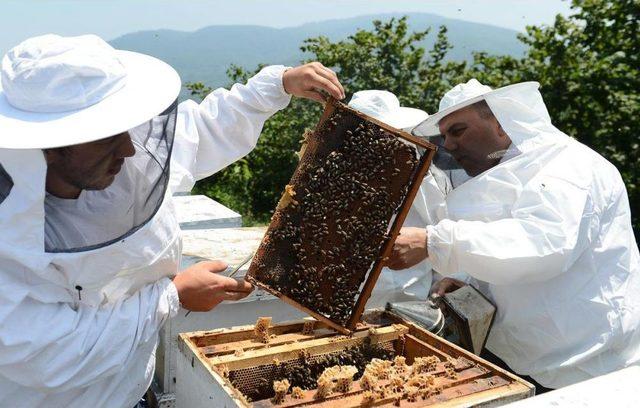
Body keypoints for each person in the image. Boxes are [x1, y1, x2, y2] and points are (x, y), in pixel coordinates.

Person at [0, 34, 344, 407]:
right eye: (107, 138)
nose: (130, 149)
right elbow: (45, 356)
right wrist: (172, 296)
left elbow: (199, 131)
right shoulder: (10, 238)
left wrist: (277, 85)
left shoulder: (124, 163)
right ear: (48, 145)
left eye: (126, 130)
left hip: (132, 387)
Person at [386, 79, 640, 391]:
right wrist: (471, 282)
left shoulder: (566, 167)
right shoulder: (516, 172)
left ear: (502, 124)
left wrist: (433, 242)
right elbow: (503, 245)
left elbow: (542, 245)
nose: (449, 145)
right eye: (445, 135)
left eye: (458, 130)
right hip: (526, 364)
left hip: (591, 371)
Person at [346, 90, 450, 306]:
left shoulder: (425, 178)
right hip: (348, 304)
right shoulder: (335, 177)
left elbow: (442, 230)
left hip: (413, 305)